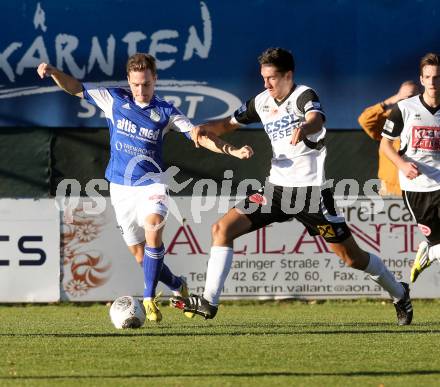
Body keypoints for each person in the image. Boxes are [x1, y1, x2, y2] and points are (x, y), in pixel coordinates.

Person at [172, 47, 413, 326]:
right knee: (222, 228)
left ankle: (399, 293)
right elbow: (227, 124)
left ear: (288, 75)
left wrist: (305, 129)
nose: (266, 84)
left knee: (352, 258)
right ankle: (209, 302)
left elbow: (315, 119)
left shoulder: (304, 96)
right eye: (263, 78)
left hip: (312, 196)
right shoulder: (261, 101)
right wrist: (205, 128)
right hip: (275, 191)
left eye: (272, 78)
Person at [37, 53, 253, 322]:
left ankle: (149, 299)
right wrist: (55, 71)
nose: (142, 90)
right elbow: (75, 87)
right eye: (137, 84)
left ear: (155, 80)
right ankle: (177, 285)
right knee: (141, 256)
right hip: (120, 188)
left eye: (147, 84)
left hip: (152, 183)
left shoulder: (165, 111)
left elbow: (199, 136)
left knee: (154, 227)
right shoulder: (113, 99)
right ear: (129, 80)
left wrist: (233, 152)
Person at [380, 52, 440, 283]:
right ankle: (428, 252)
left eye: (437, 77)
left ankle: (430, 250)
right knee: (437, 243)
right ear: (422, 79)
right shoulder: (404, 108)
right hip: (418, 188)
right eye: (428, 77)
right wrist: (402, 164)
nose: (433, 82)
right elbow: (386, 145)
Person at [358, 81, 420, 196]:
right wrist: (389, 101)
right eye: (403, 97)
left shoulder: (426, 120)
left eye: (411, 97)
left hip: (418, 186)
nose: (406, 100)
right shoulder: (389, 118)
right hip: (390, 188)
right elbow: (364, 120)